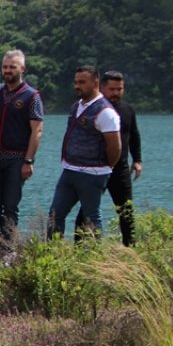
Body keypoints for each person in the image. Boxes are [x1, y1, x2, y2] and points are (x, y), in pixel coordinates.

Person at [0, 49, 45, 251]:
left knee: (10, 207)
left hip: (17, 160)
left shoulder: (31, 96)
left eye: (12, 67)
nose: (7, 71)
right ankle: (4, 243)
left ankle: (8, 250)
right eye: (5, 67)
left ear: (22, 68)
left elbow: (37, 130)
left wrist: (28, 161)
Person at [48, 66, 122, 239]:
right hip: (69, 170)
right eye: (76, 82)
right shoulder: (76, 106)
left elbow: (115, 147)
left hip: (92, 174)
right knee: (55, 214)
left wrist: (104, 167)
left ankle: (95, 256)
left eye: (82, 82)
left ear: (95, 82)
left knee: (91, 217)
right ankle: (51, 253)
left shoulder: (106, 112)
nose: (77, 86)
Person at [99, 70, 143, 246]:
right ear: (102, 88)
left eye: (120, 89)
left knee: (126, 212)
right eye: (112, 89)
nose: (116, 93)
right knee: (88, 211)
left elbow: (134, 135)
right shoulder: (94, 108)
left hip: (121, 169)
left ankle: (130, 248)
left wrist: (137, 160)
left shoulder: (127, 110)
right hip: (97, 168)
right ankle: (81, 248)